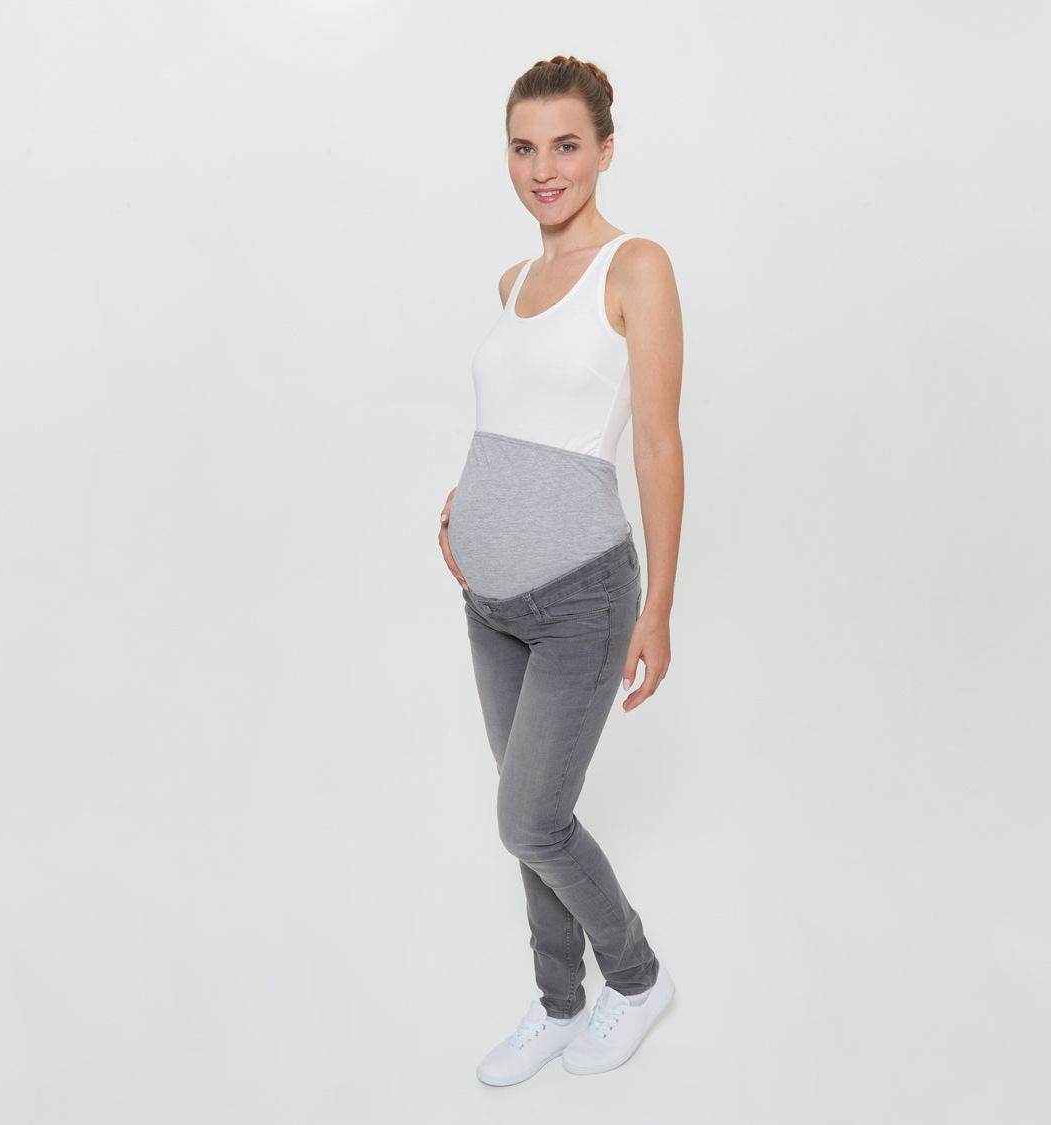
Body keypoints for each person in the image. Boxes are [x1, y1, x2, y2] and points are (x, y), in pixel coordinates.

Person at [437, 55, 685, 1085]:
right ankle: (558, 1000)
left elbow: (658, 443)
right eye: (524, 147)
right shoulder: (512, 282)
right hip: (488, 600)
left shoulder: (636, 267)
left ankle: (636, 976)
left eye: (567, 146)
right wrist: (466, 504)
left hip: (583, 593)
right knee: (531, 820)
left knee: (529, 817)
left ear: (605, 150)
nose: (544, 169)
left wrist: (658, 608)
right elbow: (514, 417)